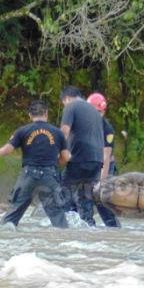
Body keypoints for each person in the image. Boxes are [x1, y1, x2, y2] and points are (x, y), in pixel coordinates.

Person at [0, 100, 71, 228]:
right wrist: (55, 163)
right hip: (50, 176)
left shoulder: (22, 131)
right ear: (46, 114)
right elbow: (66, 157)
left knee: (12, 214)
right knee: (58, 218)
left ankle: (2, 236)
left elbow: (8, 149)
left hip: (28, 177)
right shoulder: (58, 133)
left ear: (30, 115)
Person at [59, 86, 105, 226]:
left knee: (63, 192)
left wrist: (57, 153)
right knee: (85, 198)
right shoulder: (95, 111)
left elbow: (64, 132)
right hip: (97, 160)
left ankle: (62, 228)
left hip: (79, 158)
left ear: (67, 99)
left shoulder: (71, 106)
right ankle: (88, 227)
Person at [87, 92, 120, 227]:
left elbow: (106, 157)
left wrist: (102, 182)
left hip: (104, 166)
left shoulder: (107, 130)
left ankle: (114, 229)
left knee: (101, 200)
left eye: (100, 112)